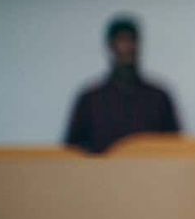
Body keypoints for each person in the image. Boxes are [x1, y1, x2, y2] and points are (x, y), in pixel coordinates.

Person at [63, 15, 180, 153]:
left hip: (148, 173)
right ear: (111, 46)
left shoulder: (159, 97)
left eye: (132, 40)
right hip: (101, 174)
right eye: (122, 40)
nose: (128, 47)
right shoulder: (90, 100)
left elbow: (175, 148)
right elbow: (71, 152)